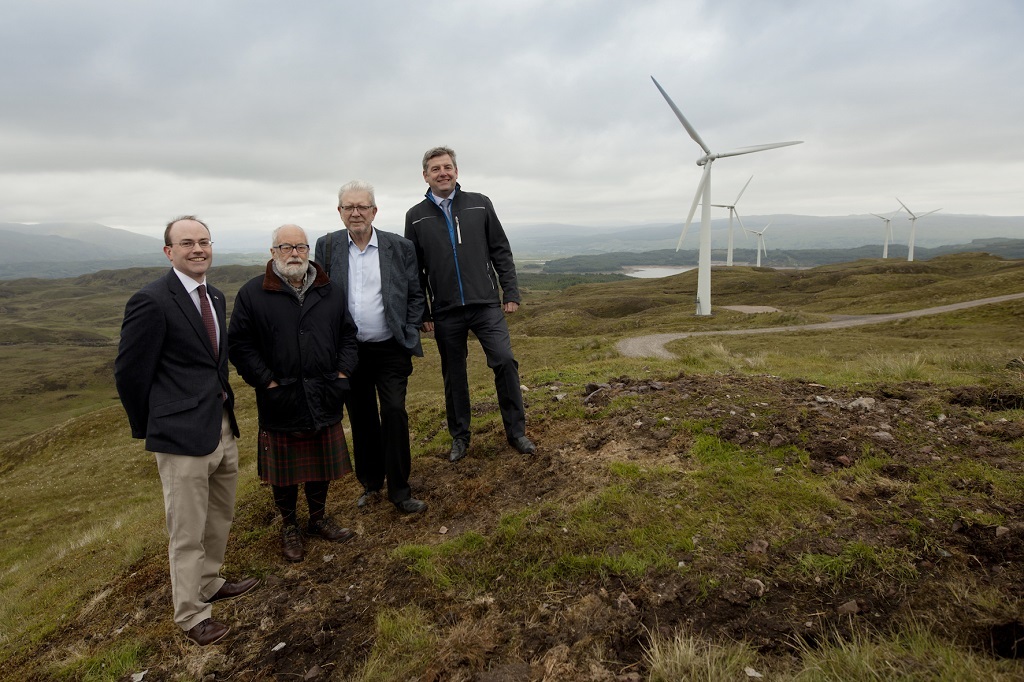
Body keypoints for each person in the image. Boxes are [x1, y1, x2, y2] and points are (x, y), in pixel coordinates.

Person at [115, 216, 259, 647]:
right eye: (186, 243)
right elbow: (129, 372)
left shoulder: (213, 295)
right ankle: (191, 613)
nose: (198, 249)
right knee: (186, 528)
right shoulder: (152, 301)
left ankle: (210, 581)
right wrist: (153, 426)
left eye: (203, 242)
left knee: (219, 514)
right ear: (168, 252)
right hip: (180, 436)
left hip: (220, 426)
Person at [228, 224, 359, 563]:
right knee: (285, 472)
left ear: (308, 252)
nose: (294, 254)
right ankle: (289, 526)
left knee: (319, 464)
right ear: (273, 253)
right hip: (279, 396)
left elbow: (348, 334)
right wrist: (267, 382)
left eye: (300, 247)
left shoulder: (329, 290)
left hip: (324, 391)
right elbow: (241, 346)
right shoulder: (252, 293)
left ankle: (318, 518)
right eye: (285, 247)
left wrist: (342, 375)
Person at [404, 146, 536, 462]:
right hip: (446, 310)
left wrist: (511, 292)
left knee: (504, 361)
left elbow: (500, 250)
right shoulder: (415, 216)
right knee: (454, 374)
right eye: (435, 169)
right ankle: (460, 438)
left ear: (456, 171)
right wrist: (423, 311)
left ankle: (516, 432)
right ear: (425, 176)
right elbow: (414, 270)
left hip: (485, 303)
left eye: (447, 167)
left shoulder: (480, 204)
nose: (443, 173)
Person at [314, 180, 428, 514]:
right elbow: (320, 294)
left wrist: (408, 329)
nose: (355, 213)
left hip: (390, 347)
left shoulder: (399, 247)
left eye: (362, 206)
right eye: (348, 207)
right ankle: (371, 483)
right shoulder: (327, 246)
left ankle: (401, 490)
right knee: (361, 418)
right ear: (339, 212)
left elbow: (415, 293)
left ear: (374, 211)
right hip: (349, 351)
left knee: (393, 412)